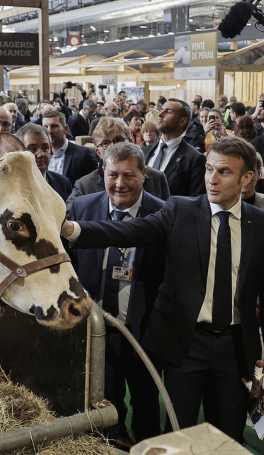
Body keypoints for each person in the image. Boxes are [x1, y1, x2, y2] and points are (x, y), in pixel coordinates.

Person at [61, 136, 264, 443]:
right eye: (208, 169)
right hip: (185, 343)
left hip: (236, 348)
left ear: (247, 178)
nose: (212, 179)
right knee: (178, 430)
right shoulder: (180, 210)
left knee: (228, 433)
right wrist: (72, 229)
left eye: (224, 172)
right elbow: (130, 229)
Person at [67, 143, 164, 447]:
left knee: (146, 402)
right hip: (95, 330)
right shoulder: (81, 209)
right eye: (112, 175)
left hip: (143, 331)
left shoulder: (163, 213)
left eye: (128, 176)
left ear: (144, 175)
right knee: (103, 403)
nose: (119, 184)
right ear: (103, 173)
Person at [66, 117, 170, 210]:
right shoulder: (84, 185)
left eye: (119, 140)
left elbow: (169, 217)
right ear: (98, 152)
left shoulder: (156, 177)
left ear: (130, 142)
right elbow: (67, 218)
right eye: (105, 143)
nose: (113, 147)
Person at [142, 99, 207, 197]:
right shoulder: (144, 151)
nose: (160, 114)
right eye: (161, 110)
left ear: (182, 121)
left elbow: (195, 202)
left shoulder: (195, 159)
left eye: (168, 112)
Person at [16, 124, 72, 201]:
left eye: (45, 148)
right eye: (33, 149)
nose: (41, 154)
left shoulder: (63, 183)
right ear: (19, 151)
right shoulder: (11, 186)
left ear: (51, 149)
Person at [41, 110, 98, 185]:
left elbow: (95, 184)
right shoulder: (40, 156)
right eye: (45, 127)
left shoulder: (83, 154)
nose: (49, 131)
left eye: (54, 126)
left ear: (65, 129)